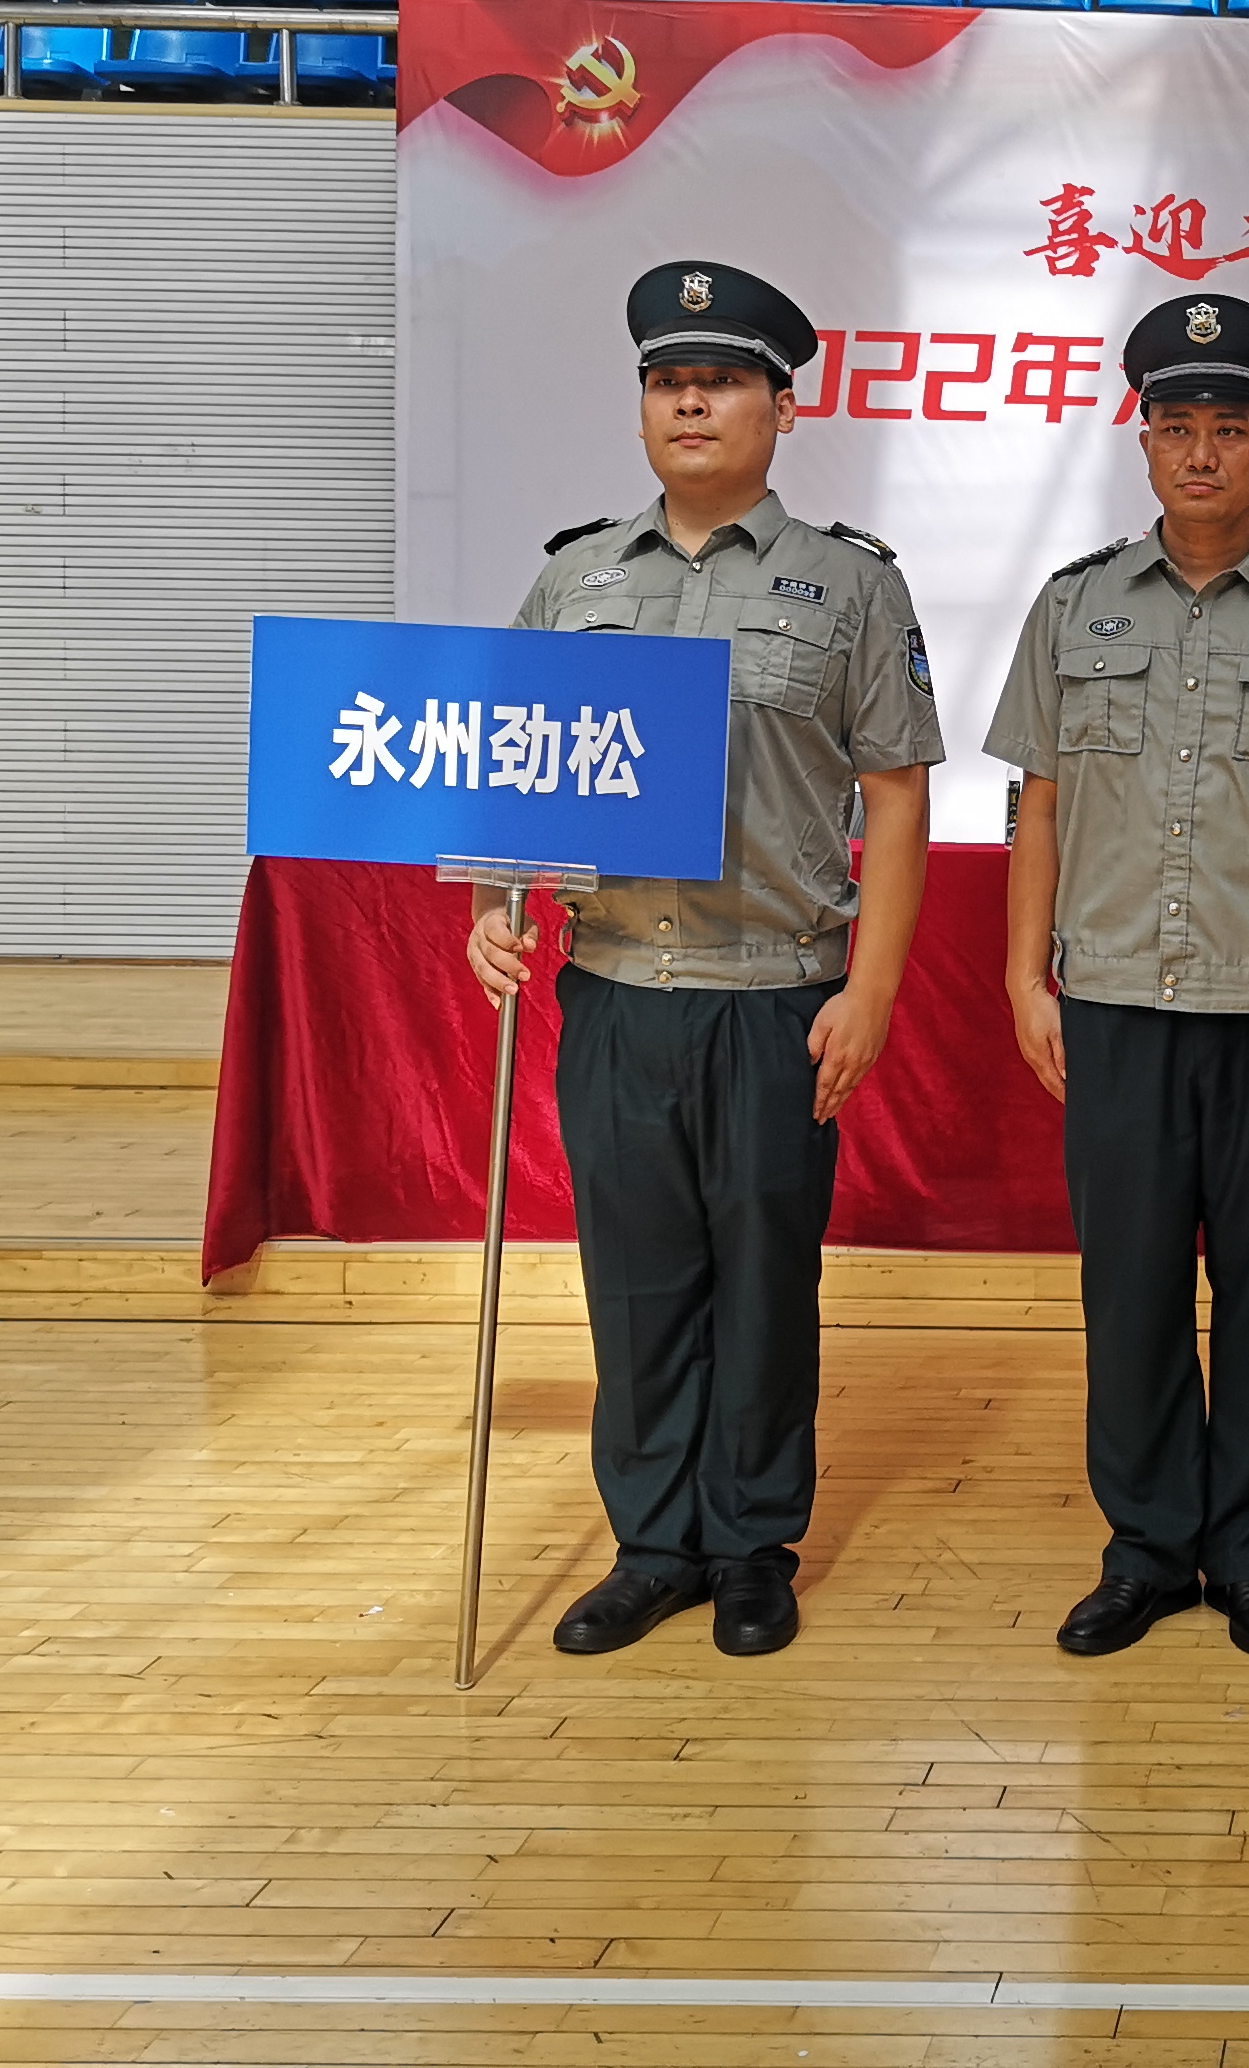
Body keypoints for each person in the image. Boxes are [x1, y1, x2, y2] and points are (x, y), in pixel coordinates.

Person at [465, 259, 941, 1660]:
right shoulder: (575, 579)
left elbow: (898, 794)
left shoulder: (849, 586)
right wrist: (492, 903)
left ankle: (752, 1545)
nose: (691, 402)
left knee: (765, 1283)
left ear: (782, 408)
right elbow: (511, 763)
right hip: (618, 992)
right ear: (642, 408)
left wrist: (871, 989)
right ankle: (653, 1546)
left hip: (774, 996)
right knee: (637, 1284)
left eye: (722, 381)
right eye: (669, 381)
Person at [985, 292, 1249, 1662]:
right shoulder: (1076, 605)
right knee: (1134, 1289)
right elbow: (1040, 802)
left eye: (1232, 427)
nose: (1203, 451)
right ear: (1145, 441)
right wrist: (1026, 979)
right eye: (1178, 425)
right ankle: (1149, 1550)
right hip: (1115, 999)